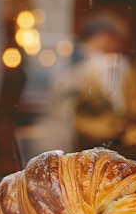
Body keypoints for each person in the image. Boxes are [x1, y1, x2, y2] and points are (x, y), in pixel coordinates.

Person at [33, 11, 130, 156]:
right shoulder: (96, 63)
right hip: (68, 138)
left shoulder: (70, 57)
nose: (117, 46)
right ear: (106, 36)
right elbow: (113, 103)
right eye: (117, 40)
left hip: (51, 134)